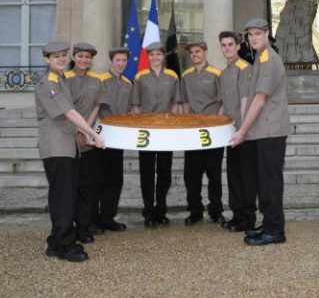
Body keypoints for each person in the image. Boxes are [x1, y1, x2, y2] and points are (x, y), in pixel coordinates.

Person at [35, 41, 105, 262]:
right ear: (47, 59)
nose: (62, 59)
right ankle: (66, 244)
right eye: (56, 56)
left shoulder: (62, 79)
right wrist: (93, 135)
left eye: (64, 55)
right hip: (57, 147)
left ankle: (55, 242)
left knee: (65, 195)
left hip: (67, 146)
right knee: (63, 198)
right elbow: (70, 113)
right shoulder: (49, 83)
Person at [229, 18, 290, 246]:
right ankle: (268, 224)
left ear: (266, 34)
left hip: (270, 132)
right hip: (263, 132)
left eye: (257, 33)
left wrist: (242, 131)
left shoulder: (269, 59)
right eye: (250, 35)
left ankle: (275, 230)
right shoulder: (259, 58)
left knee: (270, 183)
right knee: (264, 182)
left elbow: (260, 99)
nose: (253, 38)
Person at [132, 42, 181, 227]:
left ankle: (161, 209)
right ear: (148, 57)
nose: (155, 58)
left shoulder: (172, 76)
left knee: (164, 172)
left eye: (158, 54)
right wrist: (138, 129)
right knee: (146, 172)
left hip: (166, 131)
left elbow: (176, 103)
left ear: (163, 56)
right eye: (151, 55)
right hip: (147, 131)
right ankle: (148, 211)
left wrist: (173, 125)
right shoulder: (140, 76)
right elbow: (136, 106)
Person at [180, 40, 225, 225]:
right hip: (193, 132)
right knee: (192, 175)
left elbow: (222, 101)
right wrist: (188, 121)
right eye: (192, 53)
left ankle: (216, 211)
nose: (195, 55)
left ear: (205, 52)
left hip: (213, 132)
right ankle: (195, 211)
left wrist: (217, 123)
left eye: (198, 51)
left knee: (214, 174)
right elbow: (184, 101)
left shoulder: (216, 73)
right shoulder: (186, 75)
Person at [63, 42, 103, 244]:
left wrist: (86, 130)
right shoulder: (65, 78)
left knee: (87, 186)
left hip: (88, 139)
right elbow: (66, 109)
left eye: (87, 57)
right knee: (71, 186)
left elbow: (96, 106)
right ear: (74, 57)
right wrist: (78, 129)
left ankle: (84, 228)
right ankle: (68, 227)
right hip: (69, 138)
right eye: (80, 56)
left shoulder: (97, 79)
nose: (84, 60)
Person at [217, 31, 254, 232]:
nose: (227, 48)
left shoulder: (243, 68)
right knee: (233, 175)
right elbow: (224, 104)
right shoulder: (224, 72)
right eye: (224, 45)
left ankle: (247, 218)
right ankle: (236, 214)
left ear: (238, 46)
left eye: (230, 44)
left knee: (245, 177)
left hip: (243, 133)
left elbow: (245, 101)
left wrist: (242, 130)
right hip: (230, 133)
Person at [93, 46, 133, 232]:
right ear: (111, 61)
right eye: (118, 60)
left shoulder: (128, 84)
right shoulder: (100, 80)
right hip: (101, 136)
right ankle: (94, 220)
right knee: (98, 179)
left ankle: (108, 217)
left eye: (124, 60)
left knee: (116, 179)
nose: (121, 63)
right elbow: (95, 107)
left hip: (119, 137)